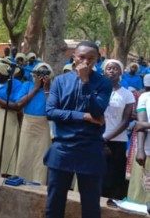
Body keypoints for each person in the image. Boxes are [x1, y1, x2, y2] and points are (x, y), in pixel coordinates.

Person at [44, 41, 112, 218]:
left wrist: (85, 81)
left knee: (90, 205)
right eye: (82, 57)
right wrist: (82, 116)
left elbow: (97, 111)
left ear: (97, 60)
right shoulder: (60, 81)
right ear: (74, 56)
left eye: (91, 58)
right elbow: (50, 112)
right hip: (62, 148)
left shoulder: (104, 83)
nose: (86, 62)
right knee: (54, 203)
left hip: (90, 148)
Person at [14, 63, 54, 185]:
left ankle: (39, 182)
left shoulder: (53, 88)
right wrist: (35, 88)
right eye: (39, 74)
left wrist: (46, 90)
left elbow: (52, 109)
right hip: (28, 122)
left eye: (45, 74)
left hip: (44, 124)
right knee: (25, 153)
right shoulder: (27, 85)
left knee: (41, 156)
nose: (42, 77)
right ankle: (22, 179)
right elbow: (19, 104)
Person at [101, 59, 135, 199]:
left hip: (116, 142)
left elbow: (126, 121)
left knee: (113, 180)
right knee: (95, 177)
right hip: (95, 139)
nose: (112, 70)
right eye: (109, 68)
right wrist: (100, 139)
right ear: (104, 71)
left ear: (121, 72)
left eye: (115, 68)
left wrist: (105, 139)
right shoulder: (97, 90)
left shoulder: (127, 94)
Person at [128, 74, 150, 204]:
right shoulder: (145, 97)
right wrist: (140, 149)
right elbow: (140, 124)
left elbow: (143, 124)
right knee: (139, 194)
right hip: (147, 151)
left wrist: (145, 125)